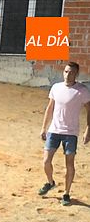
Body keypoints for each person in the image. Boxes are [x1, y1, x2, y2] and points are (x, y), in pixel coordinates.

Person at [39, 62, 90, 206]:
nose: (68, 75)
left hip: (71, 133)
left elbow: (89, 110)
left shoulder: (82, 91)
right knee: (46, 161)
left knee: (69, 164)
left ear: (76, 74)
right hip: (54, 130)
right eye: (66, 71)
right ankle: (50, 182)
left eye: (71, 72)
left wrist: (88, 130)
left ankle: (66, 193)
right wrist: (44, 128)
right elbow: (50, 108)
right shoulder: (56, 87)